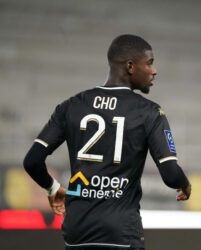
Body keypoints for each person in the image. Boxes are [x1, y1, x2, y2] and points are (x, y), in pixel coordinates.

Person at [23, 34, 192, 250]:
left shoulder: (71, 106)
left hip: (77, 231)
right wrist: (185, 184)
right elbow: (171, 174)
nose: (154, 70)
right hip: (120, 232)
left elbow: (32, 161)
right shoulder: (149, 112)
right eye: (149, 63)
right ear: (131, 66)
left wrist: (52, 188)